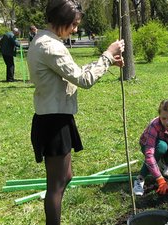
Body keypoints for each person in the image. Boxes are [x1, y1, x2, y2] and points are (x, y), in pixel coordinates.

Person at [26, 0, 124, 224]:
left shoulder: (45, 41)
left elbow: (75, 73)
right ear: (61, 21)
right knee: (56, 185)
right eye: (73, 25)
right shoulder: (50, 46)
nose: (76, 30)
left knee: (65, 177)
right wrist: (107, 55)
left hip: (56, 116)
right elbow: (84, 79)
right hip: (53, 121)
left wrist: (106, 63)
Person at [133, 99, 168, 196]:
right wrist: (160, 179)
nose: (167, 122)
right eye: (163, 118)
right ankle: (139, 179)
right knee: (161, 147)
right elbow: (149, 154)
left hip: (166, 144)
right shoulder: (154, 125)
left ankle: (162, 164)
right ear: (159, 116)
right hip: (149, 146)